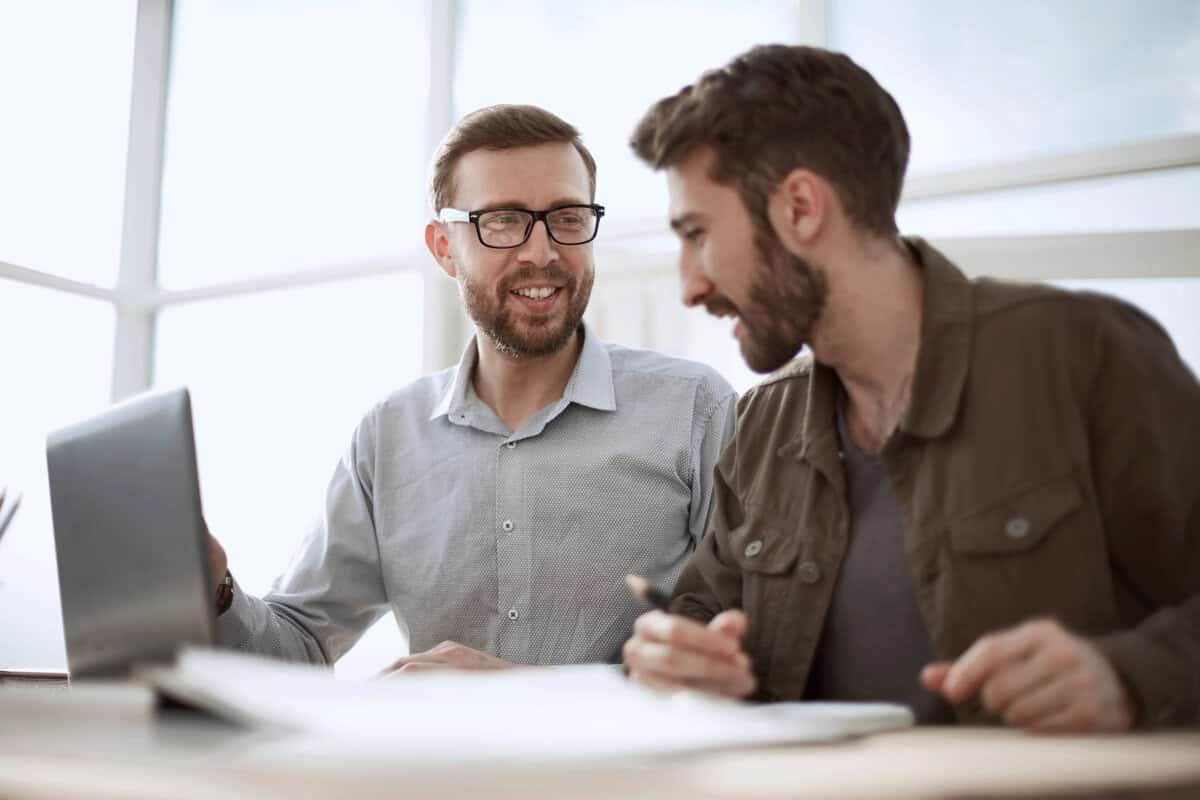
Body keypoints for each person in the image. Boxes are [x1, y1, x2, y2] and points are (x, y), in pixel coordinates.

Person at [621, 45, 1200, 731]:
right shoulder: (760, 428)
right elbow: (695, 620)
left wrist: (1129, 676)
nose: (690, 285)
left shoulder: (1086, 355)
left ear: (801, 208)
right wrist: (665, 655)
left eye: (697, 234)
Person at [205, 105, 736, 672]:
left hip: (635, 763)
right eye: (502, 221)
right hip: (433, 764)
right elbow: (298, 648)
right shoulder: (388, 436)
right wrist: (212, 584)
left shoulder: (694, 410)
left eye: (568, 216)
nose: (541, 252)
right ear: (443, 249)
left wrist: (523, 696)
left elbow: (747, 655)